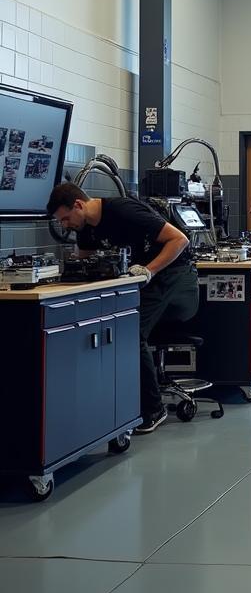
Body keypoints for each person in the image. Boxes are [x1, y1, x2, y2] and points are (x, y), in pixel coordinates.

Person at [47, 182, 198, 434]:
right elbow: (80, 262)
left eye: (65, 218)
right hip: (143, 279)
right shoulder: (86, 227)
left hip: (172, 276)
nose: (65, 226)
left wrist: (149, 270)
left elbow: (179, 240)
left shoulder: (124, 211)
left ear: (78, 205)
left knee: (130, 332)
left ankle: (153, 409)